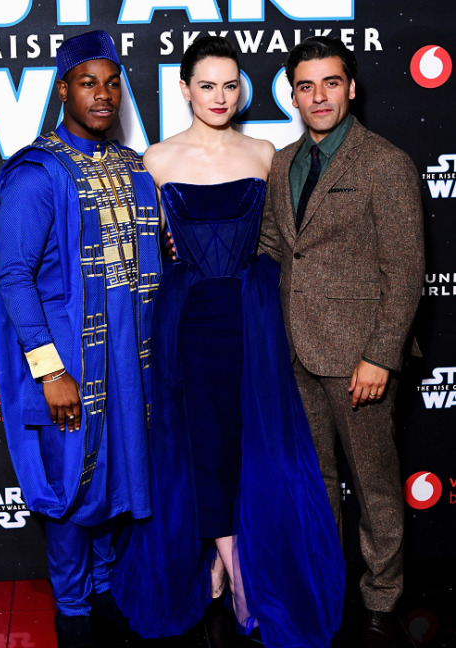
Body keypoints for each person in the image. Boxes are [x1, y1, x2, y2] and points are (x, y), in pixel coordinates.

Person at [111, 35, 345, 648]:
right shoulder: (154, 160)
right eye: (207, 85)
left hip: (253, 314)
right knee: (202, 441)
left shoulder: (267, 152)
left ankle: (226, 558)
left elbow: (290, 241)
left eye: (231, 84)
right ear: (184, 89)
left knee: (251, 441)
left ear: (243, 90)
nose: (220, 96)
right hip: (187, 318)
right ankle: (239, 571)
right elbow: (142, 251)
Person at [0, 30, 161, 648]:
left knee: (121, 480)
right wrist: (49, 369)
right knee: (72, 488)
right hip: (69, 365)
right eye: (88, 82)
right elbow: (12, 276)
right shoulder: (37, 172)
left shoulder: (130, 166)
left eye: (112, 83)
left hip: (129, 362)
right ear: (63, 89)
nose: (104, 95)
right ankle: (72, 609)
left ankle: (108, 593)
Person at [258, 36, 425, 647]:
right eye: (306, 86)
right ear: (293, 95)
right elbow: (279, 246)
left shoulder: (386, 162)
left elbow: (405, 271)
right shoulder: (282, 162)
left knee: (375, 482)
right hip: (295, 350)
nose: (318, 95)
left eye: (330, 83)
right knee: (317, 481)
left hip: (359, 359)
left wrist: (380, 354)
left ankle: (382, 596)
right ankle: (326, 581)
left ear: (350, 88)